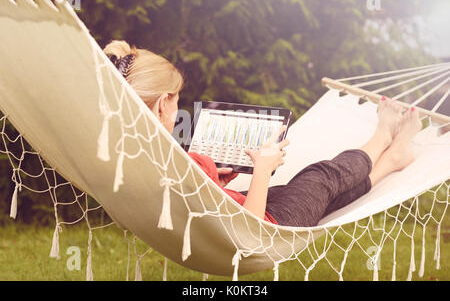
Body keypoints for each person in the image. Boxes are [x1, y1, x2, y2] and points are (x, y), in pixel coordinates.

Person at [104, 40, 423, 227]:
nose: (178, 110)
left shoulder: (139, 153)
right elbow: (251, 231)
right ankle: (383, 136)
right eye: (176, 100)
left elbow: (198, 204)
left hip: (245, 206)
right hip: (267, 223)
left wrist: (217, 181)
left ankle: (393, 158)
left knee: (325, 196)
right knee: (322, 176)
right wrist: (261, 170)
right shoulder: (164, 159)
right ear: (162, 104)